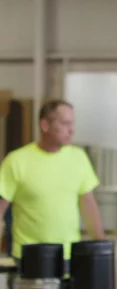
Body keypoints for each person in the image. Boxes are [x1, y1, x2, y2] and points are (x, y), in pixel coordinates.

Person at [0, 100, 105, 271]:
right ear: (45, 125)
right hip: (28, 258)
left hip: (68, 257)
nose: (72, 130)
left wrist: (101, 248)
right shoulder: (16, 161)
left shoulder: (79, 158)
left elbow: (88, 205)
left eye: (72, 123)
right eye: (65, 123)